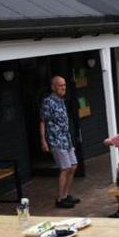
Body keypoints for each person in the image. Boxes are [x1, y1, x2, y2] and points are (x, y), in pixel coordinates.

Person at [39, 75, 79, 208]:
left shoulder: (61, 100)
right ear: (53, 87)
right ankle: (60, 199)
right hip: (56, 140)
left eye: (64, 85)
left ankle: (66, 195)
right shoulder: (48, 102)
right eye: (60, 85)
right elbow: (42, 121)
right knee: (65, 168)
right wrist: (43, 140)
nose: (63, 87)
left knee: (73, 166)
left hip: (66, 139)